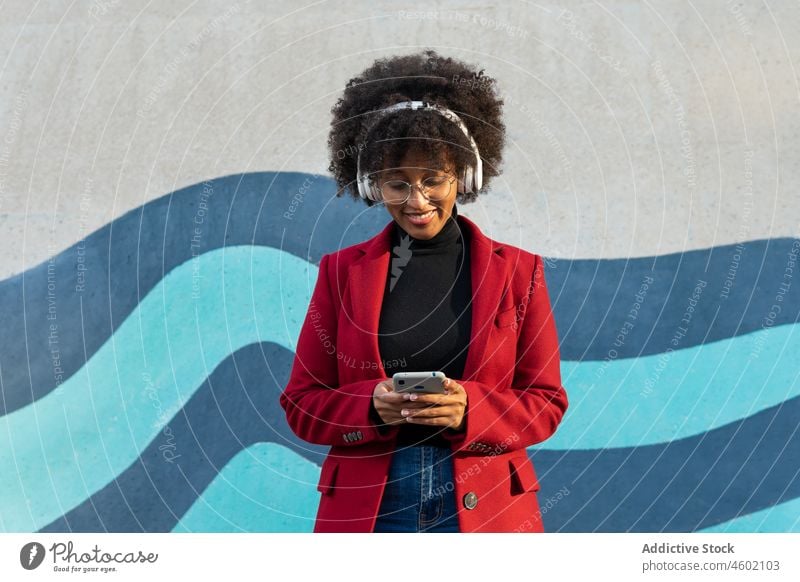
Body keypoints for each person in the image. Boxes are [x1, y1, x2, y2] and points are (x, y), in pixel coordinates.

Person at [279, 50, 568, 533]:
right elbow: (302, 404)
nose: (417, 201)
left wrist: (469, 409)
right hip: (372, 507)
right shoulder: (339, 273)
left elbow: (546, 402)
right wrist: (369, 406)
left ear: (466, 175)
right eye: (398, 183)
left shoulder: (521, 272)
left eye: (433, 179)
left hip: (488, 508)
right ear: (373, 185)